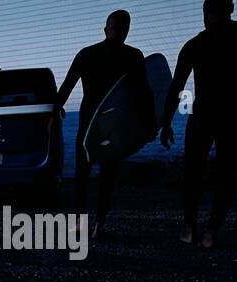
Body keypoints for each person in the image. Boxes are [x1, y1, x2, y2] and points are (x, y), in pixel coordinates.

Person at [55, 9, 151, 238]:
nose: (120, 32)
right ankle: (98, 223)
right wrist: (149, 123)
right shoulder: (132, 56)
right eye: (120, 28)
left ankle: (86, 222)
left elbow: (66, 87)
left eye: (121, 28)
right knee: (104, 175)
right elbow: (144, 94)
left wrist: (54, 113)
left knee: (86, 174)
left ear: (106, 29)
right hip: (112, 124)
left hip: (93, 122)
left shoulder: (88, 54)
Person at [161, 0, 237, 247]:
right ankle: (211, 231)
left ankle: (190, 228)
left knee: (193, 173)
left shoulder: (195, 44)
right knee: (228, 174)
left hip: (202, 113)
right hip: (232, 116)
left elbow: (176, 87)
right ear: (231, 10)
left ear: (206, 13)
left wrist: (166, 122)